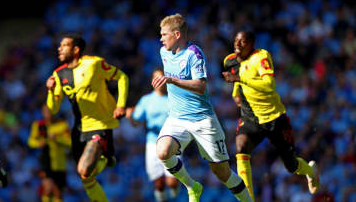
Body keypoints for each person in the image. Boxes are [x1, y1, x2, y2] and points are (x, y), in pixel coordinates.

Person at [152, 13, 252, 202]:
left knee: (223, 174)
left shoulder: (194, 54)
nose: (161, 38)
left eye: (164, 34)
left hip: (202, 119)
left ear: (177, 34)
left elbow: (201, 86)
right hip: (177, 118)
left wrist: (172, 80)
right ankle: (192, 187)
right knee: (163, 152)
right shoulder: (163, 52)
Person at [222, 31, 321, 200]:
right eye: (236, 41)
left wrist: (239, 78)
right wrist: (236, 93)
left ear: (251, 44)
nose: (238, 45)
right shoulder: (229, 61)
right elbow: (236, 82)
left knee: (292, 165)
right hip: (251, 118)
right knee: (240, 149)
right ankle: (248, 199)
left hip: (274, 118)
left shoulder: (261, 56)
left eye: (243, 42)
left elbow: (268, 84)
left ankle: (311, 171)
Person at [46, 33, 129, 201]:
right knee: (85, 176)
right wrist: (50, 90)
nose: (59, 48)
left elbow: (122, 77)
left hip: (100, 124)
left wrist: (120, 105)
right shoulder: (58, 74)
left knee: (84, 169)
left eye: (64, 45)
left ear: (76, 50)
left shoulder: (94, 64)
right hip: (79, 129)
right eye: (59, 45)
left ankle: (105, 154)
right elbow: (53, 109)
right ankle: (106, 156)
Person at [126, 68, 180, 202]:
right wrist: (130, 117)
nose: (159, 81)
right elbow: (136, 122)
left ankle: (176, 197)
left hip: (172, 143)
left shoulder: (174, 99)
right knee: (159, 183)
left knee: (172, 182)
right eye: (156, 78)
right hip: (153, 144)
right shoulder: (146, 100)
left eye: (161, 78)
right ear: (152, 81)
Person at [28, 104, 71, 202]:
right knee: (48, 187)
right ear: (43, 113)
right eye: (46, 112)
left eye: (50, 111)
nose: (48, 114)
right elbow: (31, 141)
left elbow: (70, 142)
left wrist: (57, 139)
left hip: (59, 163)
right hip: (45, 160)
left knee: (58, 193)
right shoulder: (39, 125)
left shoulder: (62, 125)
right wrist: (38, 143)